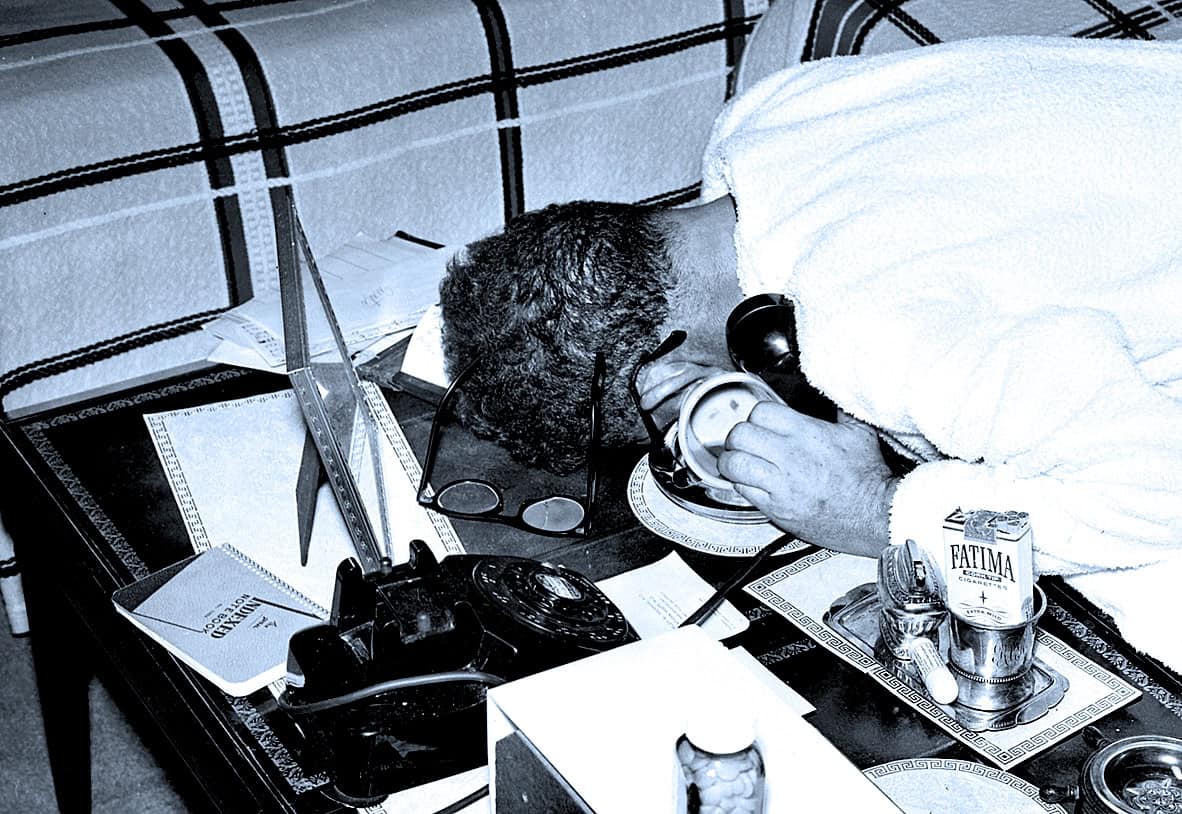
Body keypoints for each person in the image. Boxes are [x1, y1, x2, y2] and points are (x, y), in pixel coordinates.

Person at [438, 36, 1182, 672]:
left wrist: (876, 512)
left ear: (668, 380)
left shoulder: (877, 332)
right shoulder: (768, 112)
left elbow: (1161, 493)